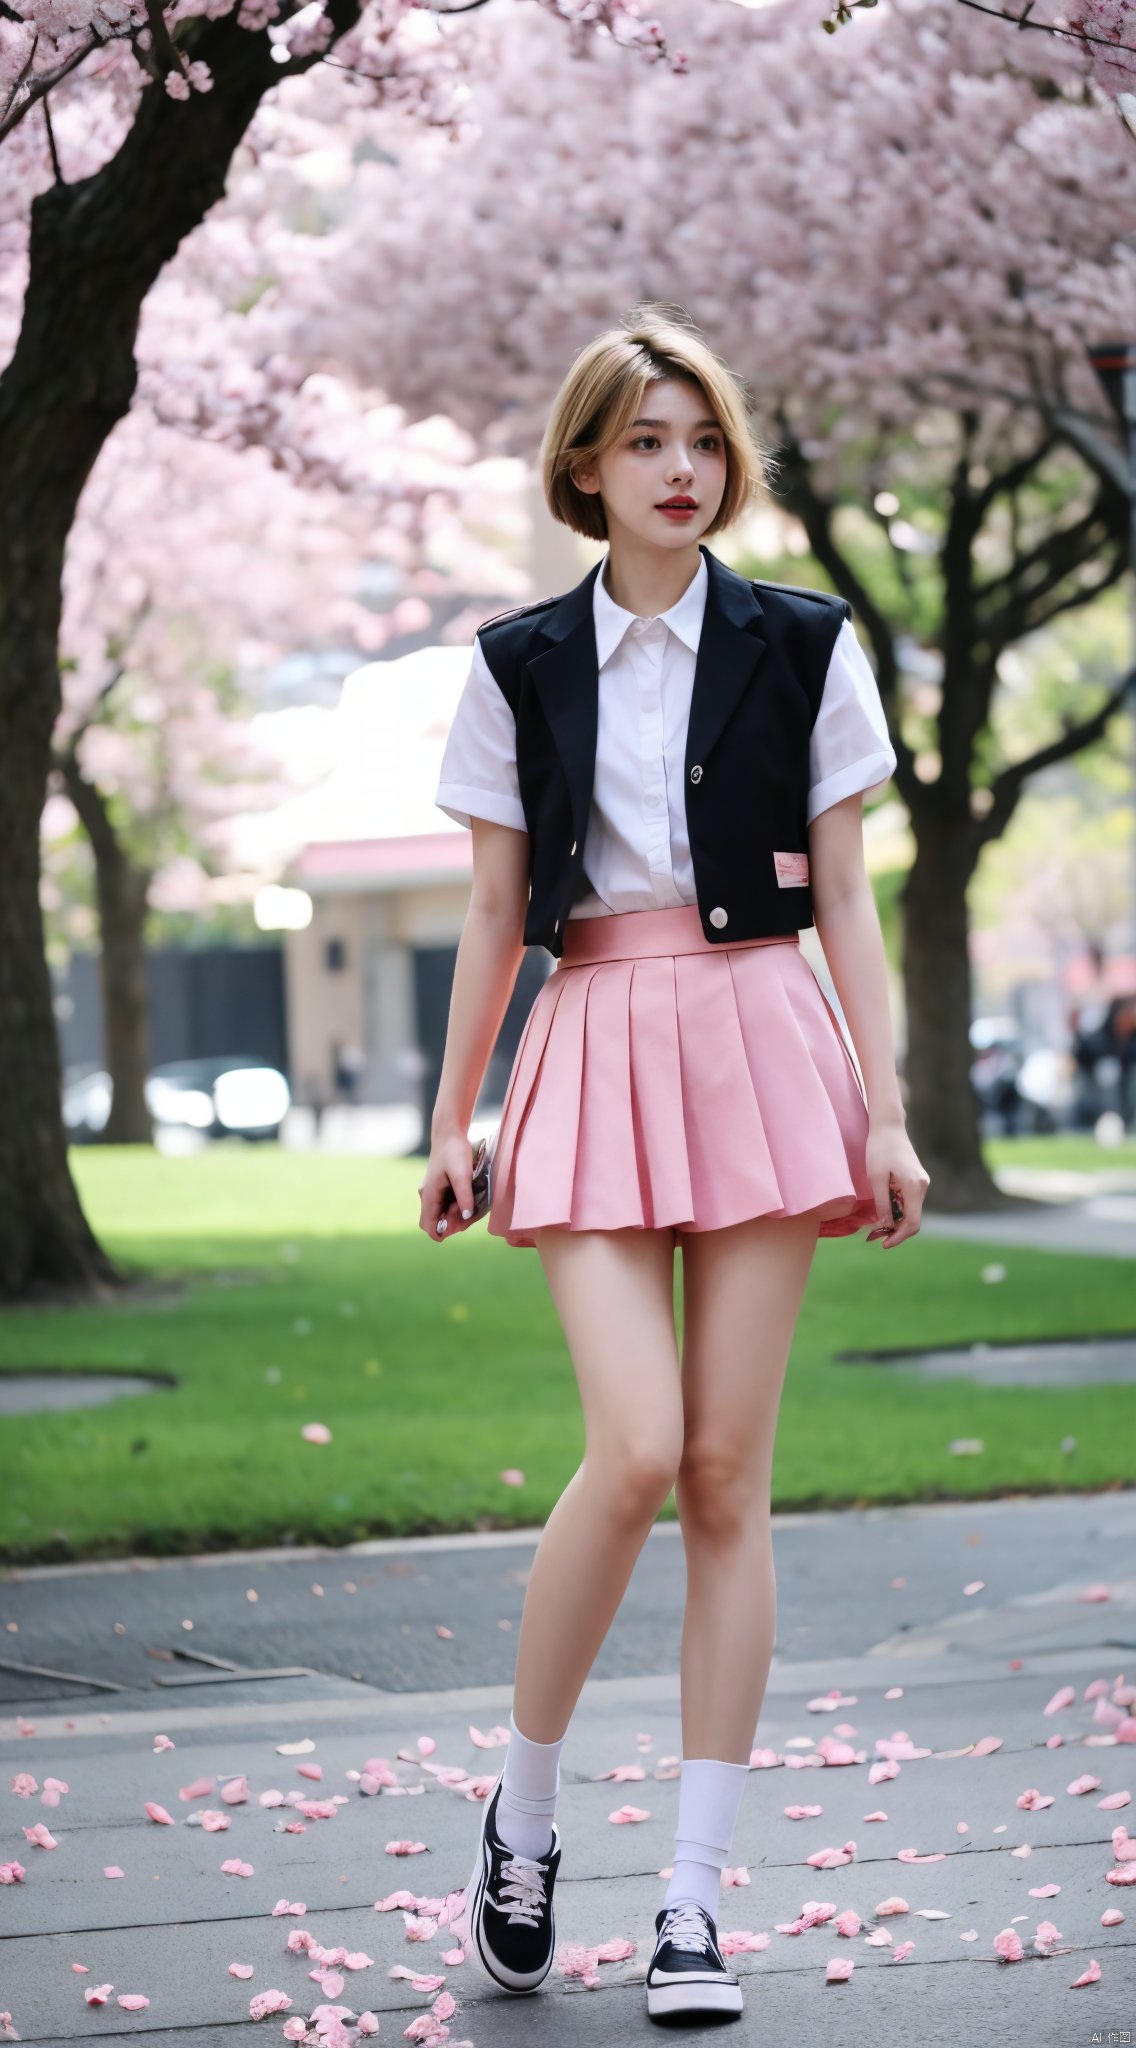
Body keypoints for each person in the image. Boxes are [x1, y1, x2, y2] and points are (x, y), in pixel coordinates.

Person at [418, 303, 930, 2024]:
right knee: (633, 1447)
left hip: (769, 1045)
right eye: (647, 441)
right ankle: (525, 1817)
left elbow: (847, 894)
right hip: (595, 1041)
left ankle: (695, 1906)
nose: (683, 470)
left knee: (725, 1476)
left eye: (704, 440)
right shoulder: (516, 664)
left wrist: (886, 1104)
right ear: (586, 465)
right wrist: (454, 1120)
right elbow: (499, 911)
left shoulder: (807, 643)